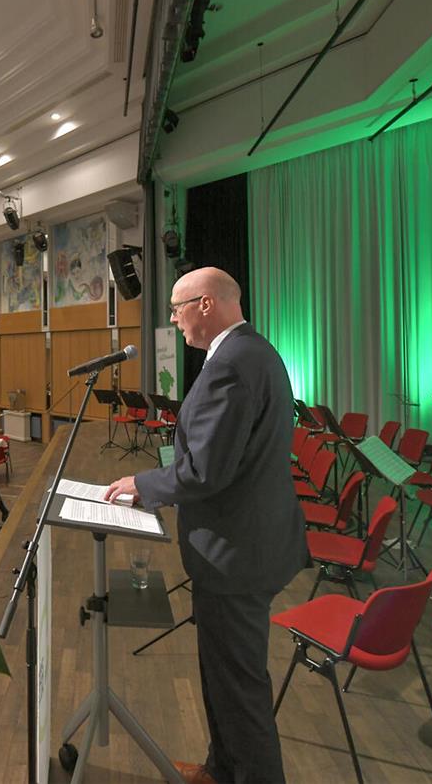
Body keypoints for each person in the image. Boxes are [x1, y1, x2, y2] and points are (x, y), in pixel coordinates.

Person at [103, 267, 307, 784]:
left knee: (239, 689)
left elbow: (206, 471)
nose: (173, 319)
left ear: (207, 304)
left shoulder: (233, 365)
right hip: (244, 544)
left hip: (235, 554)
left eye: (177, 308)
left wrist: (142, 483)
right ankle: (222, 769)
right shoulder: (254, 352)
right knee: (223, 678)